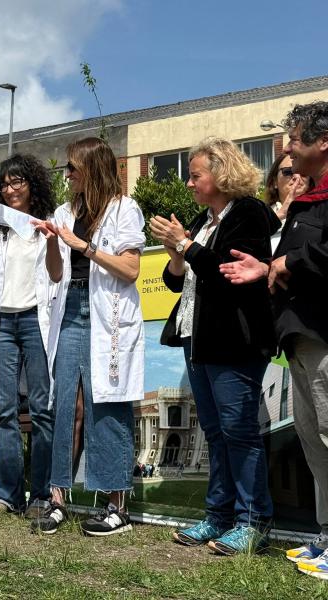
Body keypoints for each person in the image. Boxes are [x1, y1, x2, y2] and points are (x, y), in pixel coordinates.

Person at [150, 137, 278, 555]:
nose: (188, 184)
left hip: (234, 340)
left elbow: (227, 272)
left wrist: (187, 246)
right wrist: (176, 252)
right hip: (197, 338)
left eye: (195, 176)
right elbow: (175, 281)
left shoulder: (249, 213)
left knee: (239, 431)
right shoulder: (202, 219)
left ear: (221, 174)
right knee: (215, 433)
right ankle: (219, 516)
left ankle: (253, 521)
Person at [219, 102, 328, 577]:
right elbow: (290, 261)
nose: (287, 147)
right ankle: (326, 536)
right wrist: (267, 266)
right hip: (299, 337)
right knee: (315, 442)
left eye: (296, 138)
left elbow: (312, 258)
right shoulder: (308, 200)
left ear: (323, 141)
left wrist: (288, 263)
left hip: (322, 335)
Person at [31, 137, 145, 536]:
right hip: (71, 308)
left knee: (107, 403)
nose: (67, 175)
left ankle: (117, 507)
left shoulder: (124, 208)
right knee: (66, 404)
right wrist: (52, 243)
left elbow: (130, 270)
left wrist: (85, 246)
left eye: (72, 168)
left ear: (92, 168)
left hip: (107, 313)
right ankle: (58, 499)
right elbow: (56, 273)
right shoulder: (65, 212)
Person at [0, 154, 57, 518]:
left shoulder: (50, 223)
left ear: (33, 184)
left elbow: (56, 275)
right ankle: (6, 495)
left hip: (36, 320)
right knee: (5, 409)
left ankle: (42, 494)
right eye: (4, 185)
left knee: (41, 409)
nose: (10, 190)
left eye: (17, 182)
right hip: (4, 322)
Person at [264, 153, 310, 222]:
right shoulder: (262, 216)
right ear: (275, 181)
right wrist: (279, 215)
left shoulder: (322, 212)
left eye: (303, 171)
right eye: (288, 171)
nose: (297, 177)